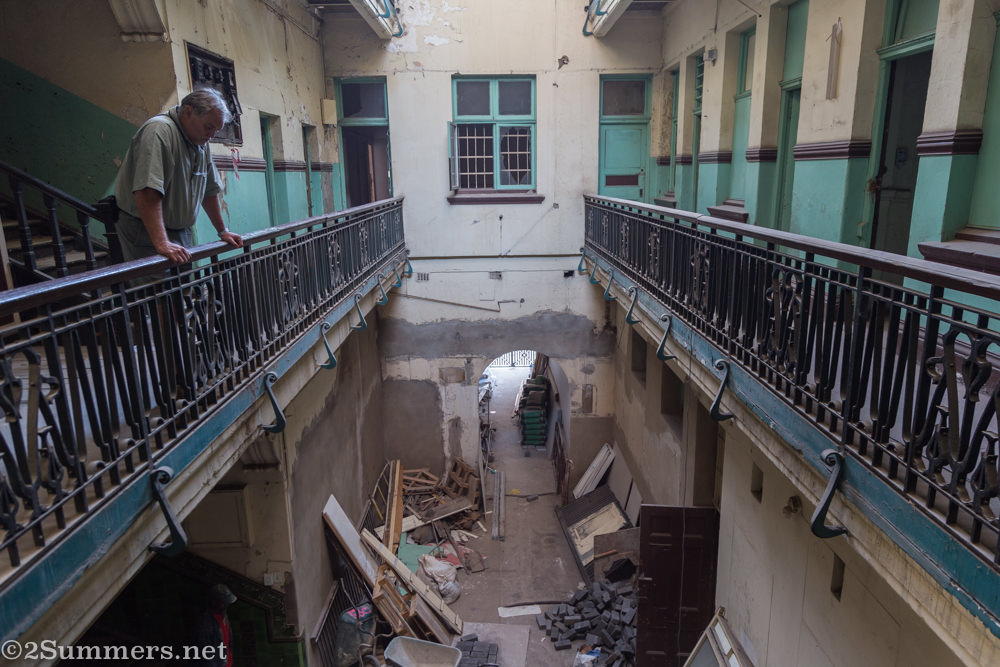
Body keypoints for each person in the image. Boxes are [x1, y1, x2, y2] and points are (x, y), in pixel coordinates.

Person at [114, 88, 243, 266]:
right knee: (158, 290)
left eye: (216, 130)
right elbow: (148, 192)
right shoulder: (158, 131)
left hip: (181, 232)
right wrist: (161, 242)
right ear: (188, 112)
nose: (212, 135)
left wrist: (223, 231)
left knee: (183, 289)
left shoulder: (200, 142)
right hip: (146, 231)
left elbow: (209, 190)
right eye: (209, 127)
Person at [195, 583, 237, 667]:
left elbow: (228, 640)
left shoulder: (224, 616)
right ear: (214, 602)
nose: (226, 605)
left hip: (226, 662)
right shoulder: (205, 621)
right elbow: (205, 648)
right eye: (223, 602)